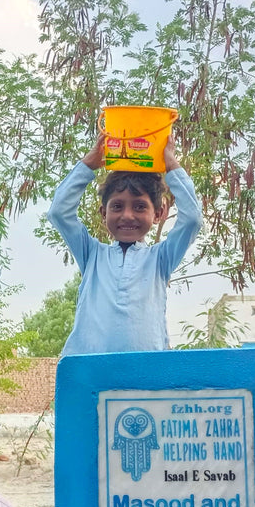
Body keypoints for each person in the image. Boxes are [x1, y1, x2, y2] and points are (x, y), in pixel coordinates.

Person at [47, 129, 202, 356]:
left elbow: (192, 220)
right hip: (88, 372)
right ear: (103, 212)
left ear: (158, 214)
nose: (127, 215)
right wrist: (89, 164)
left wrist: (171, 166)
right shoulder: (92, 255)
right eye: (117, 206)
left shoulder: (160, 259)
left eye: (140, 207)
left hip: (144, 376)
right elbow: (59, 212)